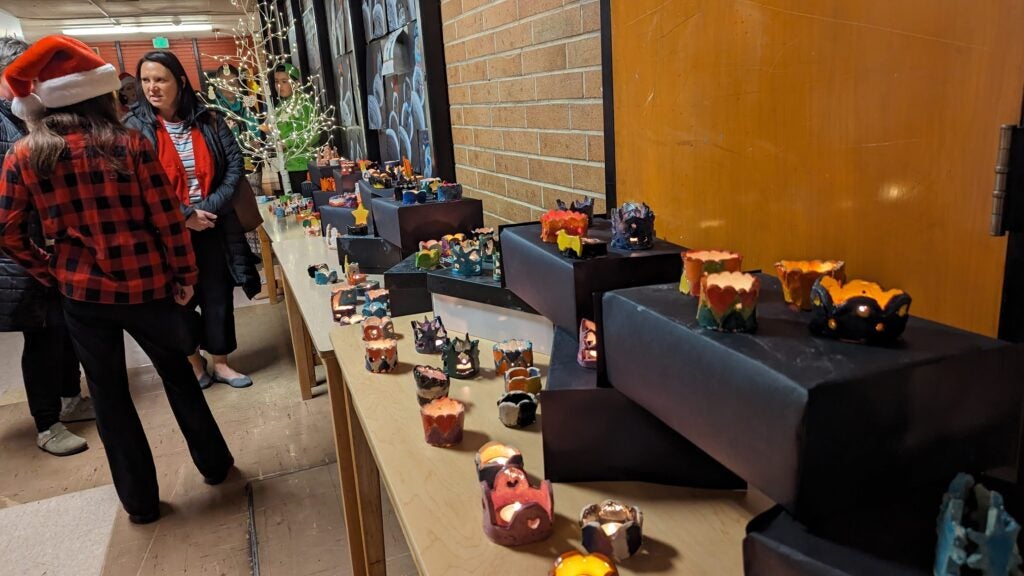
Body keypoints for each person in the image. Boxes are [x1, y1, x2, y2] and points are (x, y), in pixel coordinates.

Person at [0, 35, 234, 523]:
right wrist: (185, 275)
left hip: (82, 297)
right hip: (149, 287)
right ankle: (214, 466)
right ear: (100, 94)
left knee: (109, 399)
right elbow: (168, 219)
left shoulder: (25, 154)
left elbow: (8, 230)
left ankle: (141, 504)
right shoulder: (129, 143)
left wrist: (49, 270)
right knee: (180, 380)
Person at [125, 50, 260, 389]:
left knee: (217, 295)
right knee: (178, 299)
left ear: (180, 81)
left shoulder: (209, 119)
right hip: (165, 232)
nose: (152, 87)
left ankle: (221, 363)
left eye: (160, 79)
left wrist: (207, 210)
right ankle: (194, 362)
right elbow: (136, 183)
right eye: (146, 80)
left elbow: (234, 167)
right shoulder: (133, 127)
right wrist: (184, 216)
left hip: (213, 225)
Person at [0, 36, 94, 456]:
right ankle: (46, 423)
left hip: (48, 241)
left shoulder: (26, 115)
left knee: (63, 325)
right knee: (40, 334)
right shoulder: (7, 123)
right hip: (18, 247)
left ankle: (68, 396)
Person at [262, 63, 316, 195]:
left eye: (284, 81)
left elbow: (314, 133)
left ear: (296, 83)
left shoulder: (305, 103)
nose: (279, 86)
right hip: (284, 164)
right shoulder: (280, 105)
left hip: (302, 164)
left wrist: (287, 144)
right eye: (276, 82)